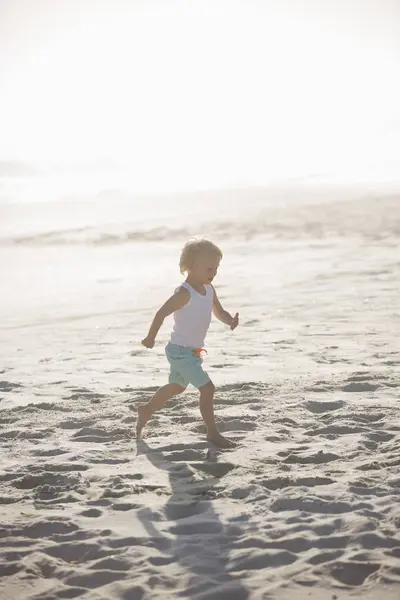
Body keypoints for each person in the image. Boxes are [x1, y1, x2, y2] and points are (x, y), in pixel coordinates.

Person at [136, 237, 239, 448]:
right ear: (190, 267)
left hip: (191, 352)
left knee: (176, 387)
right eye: (209, 268)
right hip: (180, 352)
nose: (214, 273)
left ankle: (146, 409)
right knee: (208, 389)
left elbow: (218, 311)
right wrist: (150, 337)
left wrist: (229, 320)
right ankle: (212, 433)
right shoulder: (184, 293)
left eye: (216, 268)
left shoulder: (209, 290)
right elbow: (161, 313)